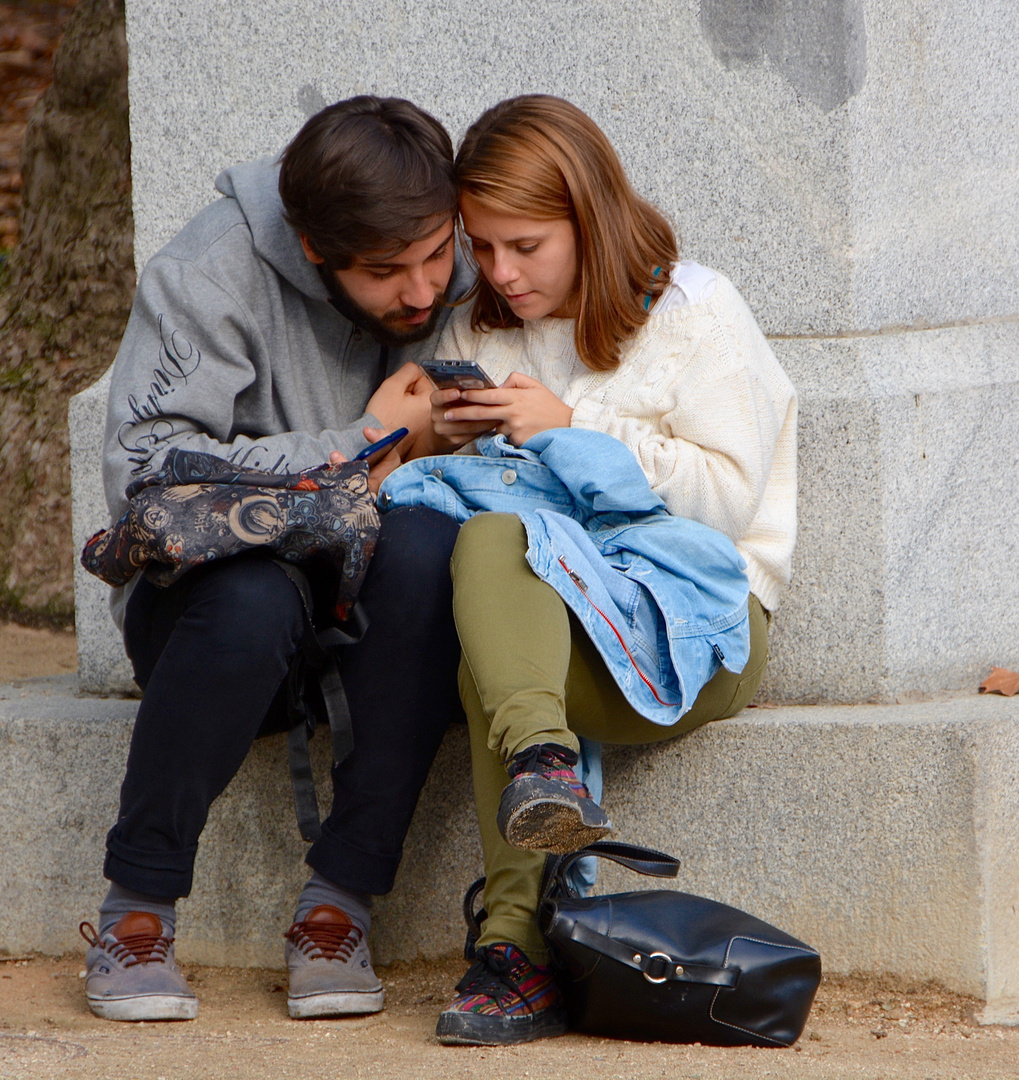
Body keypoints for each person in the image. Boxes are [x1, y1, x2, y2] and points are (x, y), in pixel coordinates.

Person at [81, 96, 473, 1023]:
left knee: (428, 551)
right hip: (211, 619)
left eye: (435, 253)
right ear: (311, 246)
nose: (423, 291)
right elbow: (144, 471)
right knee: (254, 596)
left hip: (376, 619)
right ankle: (135, 910)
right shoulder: (207, 272)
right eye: (386, 273)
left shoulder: (464, 256)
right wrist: (369, 441)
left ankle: (337, 907)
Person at [422, 94, 798, 1047]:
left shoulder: (697, 313)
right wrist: (446, 441)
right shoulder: (483, 329)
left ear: (587, 219)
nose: (502, 275)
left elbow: (727, 503)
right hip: (550, 625)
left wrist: (572, 432)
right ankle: (547, 771)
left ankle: (513, 950)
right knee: (491, 551)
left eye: (527, 246)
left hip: (697, 625)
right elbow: (475, 509)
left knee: (495, 665)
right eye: (484, 247)